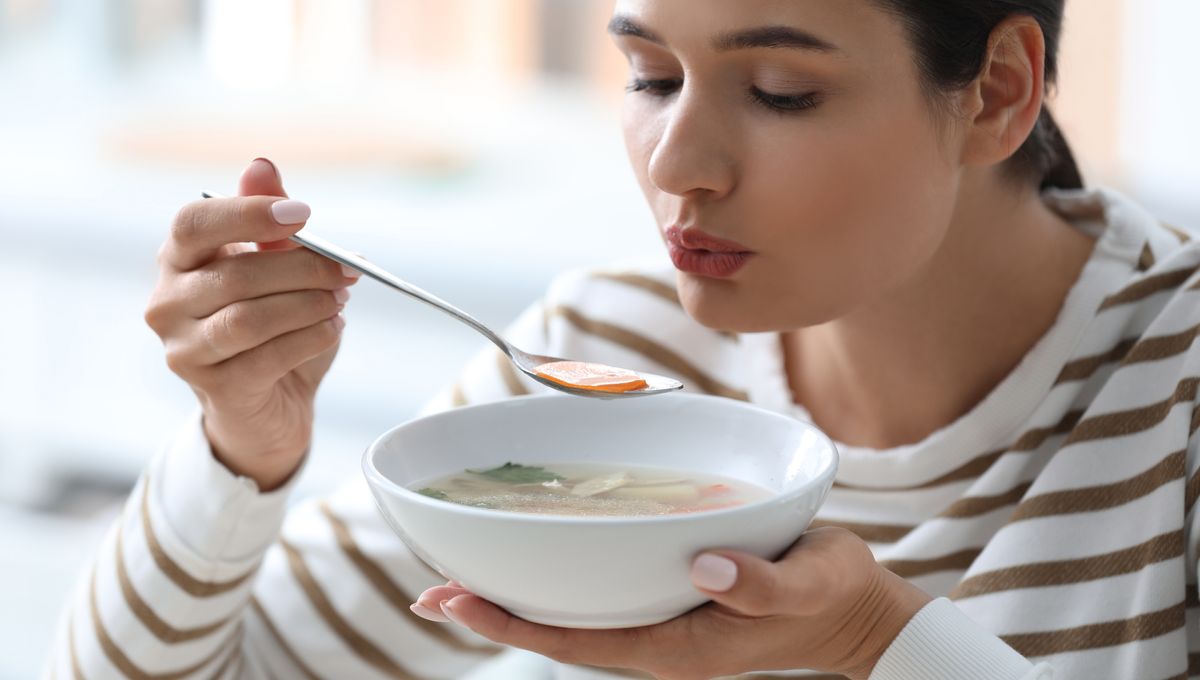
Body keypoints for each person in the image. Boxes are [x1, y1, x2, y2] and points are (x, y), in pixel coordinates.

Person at [46, 0, 1199, 678]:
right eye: (651, 75)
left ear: (998, 91)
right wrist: (240, 447)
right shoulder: (608, 354)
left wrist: (872, 637)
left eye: (782, 92)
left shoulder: (1175, 386)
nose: (675, 164)